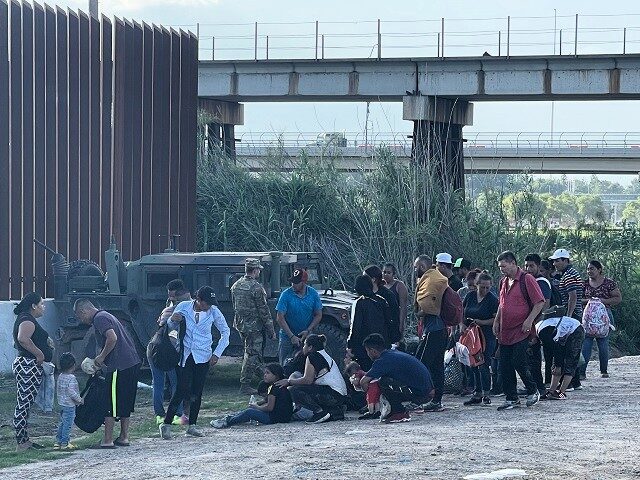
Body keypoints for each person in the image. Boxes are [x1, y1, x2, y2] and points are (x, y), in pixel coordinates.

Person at [159, 286, 230, 439]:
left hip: (203, 355)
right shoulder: (184, 306)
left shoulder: (214, 311)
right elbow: (170, 326)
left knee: (197, 391)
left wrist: (217, 353)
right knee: (181, 389)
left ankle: (193, 425)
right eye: (206, 303)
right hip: (185, 354)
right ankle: (166, 423)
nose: (209, 306)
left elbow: (226, 331)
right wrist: (173, 320)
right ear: (198, 300)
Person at [74, 299, 142, 448]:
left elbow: (112, 338)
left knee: (109, 402)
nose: (82, 320)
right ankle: (124, 437)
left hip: (119, 365)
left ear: (83, 311)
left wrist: (101, 357)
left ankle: (108, 440)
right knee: (126, 400)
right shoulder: (107, 315)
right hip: (132, 362)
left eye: (80, 317)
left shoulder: (99, 318)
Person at [493, 251, 545, 411]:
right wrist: (496, 321)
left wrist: (529, 321)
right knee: (505, 364)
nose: (502, 269)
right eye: (500, 267)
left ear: (513, 263)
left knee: (518, 361)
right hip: (505, 330)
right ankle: (511, 398)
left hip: (522, 328)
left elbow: (539, 302)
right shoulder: (503, 282)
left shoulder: (526, 279)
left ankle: (533, 389)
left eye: (504, 266)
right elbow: (502, 304)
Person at [359, 334, 434, 423]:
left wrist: (369, 393)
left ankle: (399, 412)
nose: (367, 354)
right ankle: (395, 411)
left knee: (383, 382)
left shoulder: (382, 361)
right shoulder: (392, 353)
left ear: (373, 351)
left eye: (367, 351)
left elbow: (363, 382)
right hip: (428, 389)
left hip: (423, 394)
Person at [12, 292, 53, 450]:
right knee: (23, 403)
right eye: (42, 304)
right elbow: (23, 339)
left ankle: (25, 440)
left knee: (26, 403)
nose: (44, 307)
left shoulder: (26, 319)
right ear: (33, 306)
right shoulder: (27, 319)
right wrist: (39, 353)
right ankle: (21, 442)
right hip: (29, 365)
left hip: (29, 365)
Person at [276, 334, 348, 424]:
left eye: (305, 345)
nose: (303, 348)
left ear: (310, 347)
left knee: (293, 389)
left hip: (332, 395)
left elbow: (307, 380)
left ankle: (319, 412)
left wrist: (289, 381)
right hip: (339, 396)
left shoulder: (312, 356)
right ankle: (334, 412)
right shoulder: (324, 355)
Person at [231, 258, 277, 394]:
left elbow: (235, 306)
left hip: (241, 325)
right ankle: (245, 384)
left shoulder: (236, 285)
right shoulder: (256, 288)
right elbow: (264, 311)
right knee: (252, 354)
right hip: (254, 327)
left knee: (251, 352)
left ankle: (266, 376)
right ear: (255, 270)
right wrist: (271, 330)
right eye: (258, 270)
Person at [148, 279, 190, 426]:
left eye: (172, 296)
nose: (171, 298)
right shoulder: (181, 309)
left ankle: (160, 415)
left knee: (158, 383)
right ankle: (177, 414)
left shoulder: (169, 307)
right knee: (175, 383)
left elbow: (160, 322)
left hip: (154, 346)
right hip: (167, 350)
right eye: (170, 296)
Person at [413, 255, 449, 412]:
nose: (414, 270)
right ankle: (436, 400)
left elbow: (427, 307)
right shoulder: (435, 278)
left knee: (420, 364)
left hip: (433, 329)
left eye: (416, 267)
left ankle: (418, 398)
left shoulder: (431, 281)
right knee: (436, 366)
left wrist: (420, 312)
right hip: (439, 329)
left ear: (422, 266)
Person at [210, 363, 293, 428]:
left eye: (268, 373)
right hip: (284, 417)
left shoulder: (274, 388)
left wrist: (257, 407)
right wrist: (256, 404)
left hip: (275, 418)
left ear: (276, 376)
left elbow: (269, 407)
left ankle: (227, 422)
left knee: (249, 412)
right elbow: (267, 400)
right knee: (250, 409)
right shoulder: (279, 386)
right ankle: (229, 417)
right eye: (265, 373)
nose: (265, 375)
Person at [549, 248, 584, 391]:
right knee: (572, 349)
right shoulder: (570, 273)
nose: (555, 263)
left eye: (557, 260)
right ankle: (574, 382)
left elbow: (573, 297)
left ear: (565, 260)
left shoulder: (568, 275)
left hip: (571, 315)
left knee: (567, 349)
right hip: (574, 315)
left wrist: (568, 317)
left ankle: (567, 383)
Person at [581, 260, 622, 379]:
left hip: (604, 315)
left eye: (592, 269)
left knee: (603, 342)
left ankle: (604, 370)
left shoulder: (609, 283)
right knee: (586, 343)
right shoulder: (584, 284)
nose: (589, 271)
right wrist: (591, 301)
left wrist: (602, 301)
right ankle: (582, 372)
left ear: (599, 270)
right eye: (588, 269)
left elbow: (618, 298)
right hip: (588, 316)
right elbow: (578, 299)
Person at [462, 273, 498, 406]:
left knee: (483, 364)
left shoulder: (492, 299)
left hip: (486, 335)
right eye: (482, 287)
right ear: (477, 285)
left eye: (488, 287)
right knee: (472, 364)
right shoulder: (470, 296)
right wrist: (461, 325)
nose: (485, 290)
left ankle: (486, 393)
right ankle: (477, 392)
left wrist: (482, 322)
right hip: (471, 335)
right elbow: (462, 312)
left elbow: (496, 319)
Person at [275, 269, 323, 365]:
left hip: (306, 335)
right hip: (287, 336)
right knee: (284, 363)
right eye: (292, 282)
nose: (293, 285)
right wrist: (291, 336)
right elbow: (280, 317)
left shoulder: (313, 294)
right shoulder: (286, 294)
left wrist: (308, 330)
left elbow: (318, 314)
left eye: (296, 282)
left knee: (307, 363)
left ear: (304, 282)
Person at [347, 275, 391, 371]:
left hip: (364, 347)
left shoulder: (359, 303)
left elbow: (355, 327)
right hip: (382, 345)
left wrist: (350, 345)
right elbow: (389, 323)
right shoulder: (382, 301)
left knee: (367, 374)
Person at [537, 316, 585, 400]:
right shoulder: (538, 329)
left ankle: (561, 393)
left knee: (570, 362)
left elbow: (556, 349)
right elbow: (556, 350)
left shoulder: (543, 334)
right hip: (564, 332)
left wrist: (558, 366)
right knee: (556, 364)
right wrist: (557, 365)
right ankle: (552, 391)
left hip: (576, 329)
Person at [524, 253, 552, 394]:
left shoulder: (541, 282)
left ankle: (539, 387)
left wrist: (535, 323)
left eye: (531, 266)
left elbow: (544, 305)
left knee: (535, 357)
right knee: (530, 357)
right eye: (526, 266)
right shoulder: (529, 280)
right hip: (532, 322)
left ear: (538, 266)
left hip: (540, 323)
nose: (528, 269)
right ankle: (535, 386)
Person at [54, 352, 83, 450]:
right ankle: (65, 442)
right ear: (73, 365)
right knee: (68, 424)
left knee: (62, 422)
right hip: (69, 405)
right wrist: (79, 400)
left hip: (61, 403)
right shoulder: (72, 378)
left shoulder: (60, 376)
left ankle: (58, 441)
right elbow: (71, 392)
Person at [364, 265, 400, 344]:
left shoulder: (388, 295)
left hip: (384, 336)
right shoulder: (364, 294)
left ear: (373, 279)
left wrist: (396, 338)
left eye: (365, 277)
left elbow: (395, 316)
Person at [382, 263, 409, 342]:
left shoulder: (399, 285)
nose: (386, 275)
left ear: (394, 274)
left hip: (394, 319)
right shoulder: (379, 285)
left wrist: (401, 325)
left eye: (388, 273)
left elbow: (403, 307)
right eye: (384, 272)